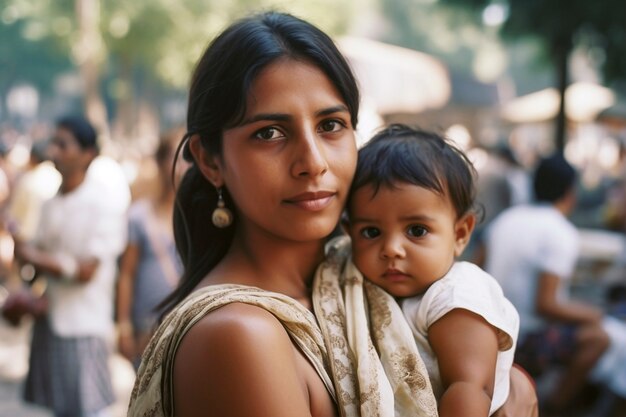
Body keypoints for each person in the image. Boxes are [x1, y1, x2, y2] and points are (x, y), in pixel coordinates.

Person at [128, 11, 537, 417]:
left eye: (331, 125)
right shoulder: (240, 335)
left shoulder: (366, 273)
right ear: (210, 160)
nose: (313, 161)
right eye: (269, 133)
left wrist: (510, 381)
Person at [345, 125, 520, 417]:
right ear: (348, 234)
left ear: (461, 234)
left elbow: (469, 388)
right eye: (371, 232)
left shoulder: (454, 295)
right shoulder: (369, 290)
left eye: (416, 230)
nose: (391, 249)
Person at [11, 115, 129, 417]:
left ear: (88, 154)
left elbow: (85, 272)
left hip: (83, 325)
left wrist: (31, 254)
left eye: (64, 145)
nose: (55, 151)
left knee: (89, 410)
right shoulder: (51, 204)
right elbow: (36, 261)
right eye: (54, 143)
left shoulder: (103, 204)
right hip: (51, 319)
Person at [484, 153, 610, 414]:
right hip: (524, 338)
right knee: (598, 337)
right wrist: (594, 314)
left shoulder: (506, 220)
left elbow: (475, 269)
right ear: (570, 192)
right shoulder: (560, 231)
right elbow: (546, 305)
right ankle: (555, 407)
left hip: (490, 328)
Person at [116, 132, 184, 369]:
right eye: (174, 156)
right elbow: (127, 273)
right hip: (146, 326)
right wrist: (123, 326)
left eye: (188, 156)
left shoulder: (203, 217)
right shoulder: (139, 215)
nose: (181, 165)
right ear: (160, 162)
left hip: (187, 324)